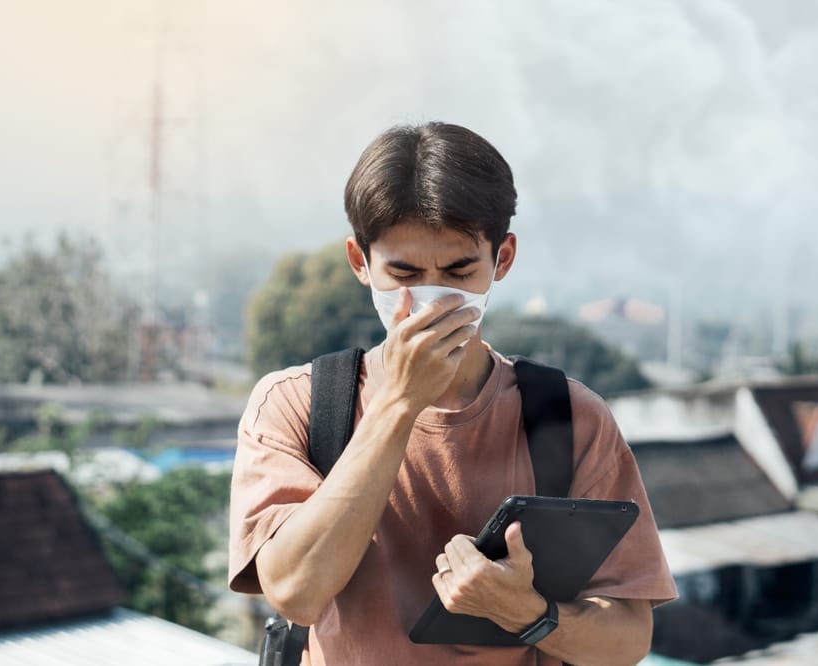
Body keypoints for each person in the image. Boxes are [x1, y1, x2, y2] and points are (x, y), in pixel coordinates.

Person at [228, 121, 677, 666]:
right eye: (405, 272)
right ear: (360, 263)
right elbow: (295, 592)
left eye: (460, 271)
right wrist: (398, 405)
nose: (432, 297)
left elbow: (628, 638)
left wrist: (528, 613)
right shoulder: (296, 405)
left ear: (502, 260)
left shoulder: (569, 417)